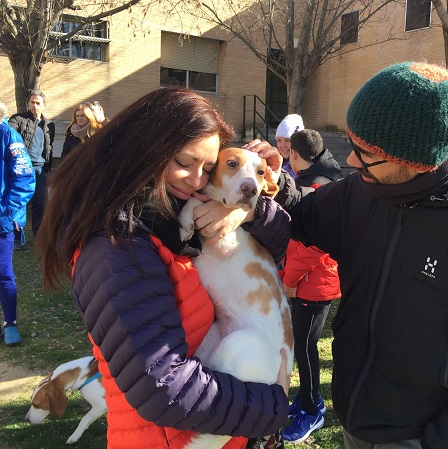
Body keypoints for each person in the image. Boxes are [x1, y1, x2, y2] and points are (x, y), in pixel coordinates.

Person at [270, 62, 448, 448]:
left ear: (416, 161)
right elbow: (304, 214)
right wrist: (272, 183)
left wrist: (442, 442)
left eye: (366, 151)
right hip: (356, 423)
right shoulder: (364, 189)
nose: (351, 161)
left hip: (423, 437)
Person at [36, 87, 291, 449]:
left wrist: (245, 209)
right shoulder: (115, 245)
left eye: (207, 167)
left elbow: (281, 238)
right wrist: (271, 407)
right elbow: (162, 387)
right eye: (185, 162)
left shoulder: (168, 213)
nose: (197, 179)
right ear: (145, 149)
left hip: (210, 425)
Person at [280, 129, 342, 444]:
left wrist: (290, 280)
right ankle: (305, 398)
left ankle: (312, 409)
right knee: (302, 346)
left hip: (313, 285)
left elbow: (312, 247)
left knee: (305, 349)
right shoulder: (319, 179)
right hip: (311, 281)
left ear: (294, 155)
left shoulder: (317, 187)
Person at [0, 101, 35, 346]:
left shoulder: (8, 135)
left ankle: (10, 323)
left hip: (2, 221)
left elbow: (24, 179)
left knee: (3, 274)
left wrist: (6, 212)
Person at [9, 89, 54, 238]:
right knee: (19, 202)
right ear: (28, 103)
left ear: (44, 105)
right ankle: (16, 236)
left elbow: (49, 149)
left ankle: (38, 234)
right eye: (32, 102)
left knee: (39, 203)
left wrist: (48, 170)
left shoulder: (49, 125)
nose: (35, 106)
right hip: (22, 168)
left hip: (40, 169)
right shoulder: (19, 119)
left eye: (38, 103)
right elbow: (9, 132)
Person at [275, 114, 304, 179]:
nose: (282, 145)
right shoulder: (276, 162)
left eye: (287, 140)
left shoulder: (304, 167)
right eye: (279, 140)